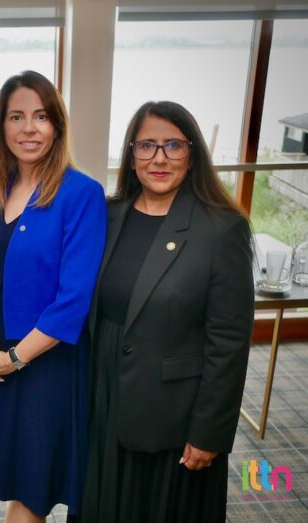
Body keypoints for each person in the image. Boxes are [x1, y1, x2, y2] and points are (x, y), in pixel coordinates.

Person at [79, 101, 254, 522]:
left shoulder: (221, 229)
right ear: (131, 155)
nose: (159, 158)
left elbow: (229, 343)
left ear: (192, 155)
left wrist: (209, 432)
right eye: (147, 146)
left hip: (172, 417)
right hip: (101, 401)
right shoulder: (107, 215)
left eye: (173, 145)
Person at [0, 70, 107, 522]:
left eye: (41, 117)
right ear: (0, 127)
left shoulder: (82, 194)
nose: (29, 128)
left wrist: (15, 359)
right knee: (18, 483)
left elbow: (74, 299)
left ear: (57, 126)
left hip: (45, 364)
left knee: (31, 492)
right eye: (16, 117)